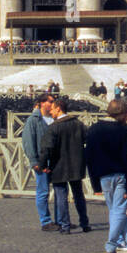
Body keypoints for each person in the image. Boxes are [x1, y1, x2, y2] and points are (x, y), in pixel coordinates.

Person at [86, 98, 127, 253]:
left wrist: (95, 184)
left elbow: (90, 158)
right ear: (121, 113)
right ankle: (111, 245)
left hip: (103, 177)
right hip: (121, 175)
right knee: (119, 211)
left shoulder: (94, 129)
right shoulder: (124, 129)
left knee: (116, 210)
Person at [41, 96, 90, 234]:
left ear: (58, 108)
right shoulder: (79, 124)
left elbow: (47, 148)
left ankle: (65, 225)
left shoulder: (53, 127)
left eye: (52, 109)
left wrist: (43, 164)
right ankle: (85, 223)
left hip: (59, 166)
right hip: (76, 164)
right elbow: (89, 140)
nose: (50, 112)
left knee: (61, 196)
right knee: (79, 195)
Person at [23, 93, 56, 231]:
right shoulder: (33, 120)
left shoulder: (54, 118)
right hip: (42, 162)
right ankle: (45, 221)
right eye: (50, 101)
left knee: (60, 191)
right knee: (43, 191)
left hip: (55, 160)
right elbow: (28, 141)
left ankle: (60, 219)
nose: (53, 104)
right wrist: (34, 161)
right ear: (42, 103)